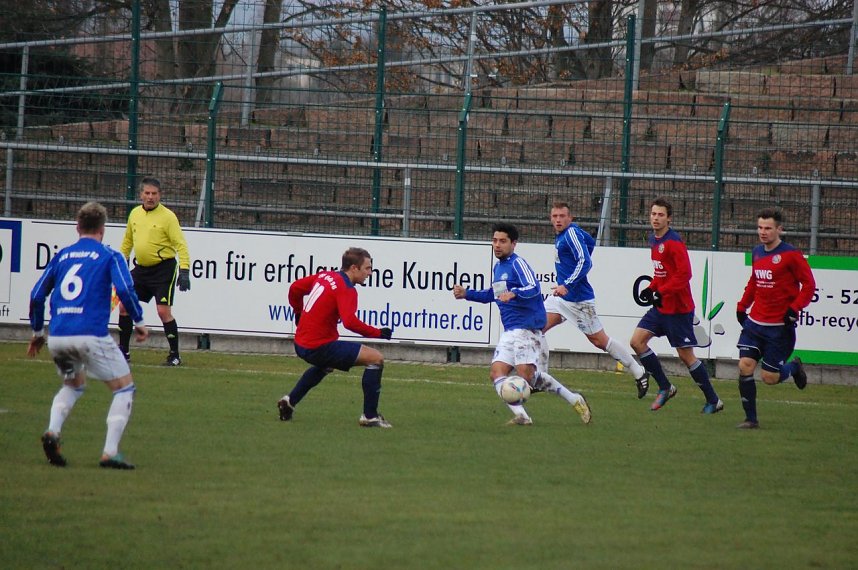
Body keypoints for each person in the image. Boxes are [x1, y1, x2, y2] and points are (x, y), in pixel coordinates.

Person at [28, 201, 149, 469]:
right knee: (124, 388)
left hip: (58, 336)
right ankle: (109, 452)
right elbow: (126, 290)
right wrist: (139, 321)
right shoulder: (109, 256)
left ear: (77, 227)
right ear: (102, 230)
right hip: (91, 335)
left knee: (73, 385)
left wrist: (38, 332)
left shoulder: (62, 256)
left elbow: (36, 295)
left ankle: (53, 431)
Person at [453, 222, 591, 426]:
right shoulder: (499, 267)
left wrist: (514, 293)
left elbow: (533, 288)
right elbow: (494, 294)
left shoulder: (518, 264)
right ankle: (523, 416)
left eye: (502, 241)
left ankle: (574, 398)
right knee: (496, 373)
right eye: (494, 241)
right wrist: (467, 294)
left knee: (527, 377)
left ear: (513, 244)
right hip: (510, 330)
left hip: (527, 329)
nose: (497, 245)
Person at [277, 247, 395, 428]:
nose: (370, 273)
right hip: (318, 345)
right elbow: (349, 322)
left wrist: (298, 312)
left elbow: (295, 289)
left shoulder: (325, 276)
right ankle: (370, 416)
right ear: (354, 268)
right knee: (376, 359)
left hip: (301, 342)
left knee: (326, 365)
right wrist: (377, 332)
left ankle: (289, 401)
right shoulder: (346, 289)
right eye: (367, 268)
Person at [543, 201, 650, 398]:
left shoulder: (571, 234)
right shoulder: (568, 234)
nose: (558, 220)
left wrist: (567, 284)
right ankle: (538, 377)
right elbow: (590, 244)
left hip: (579, 300)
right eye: (554, 216)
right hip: (561, 300)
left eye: (562, 216)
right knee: (536, 326)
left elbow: (586, 260)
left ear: (570, 218)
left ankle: (639, 371)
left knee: (600, 341)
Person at [630, 197, 723, 413]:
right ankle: (665, 387)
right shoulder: (654, 240)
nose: (656, 218)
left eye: (660, 214)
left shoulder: (674, 242)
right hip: (661, 307)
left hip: (678, 309)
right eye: (653, 214)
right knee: (637, 341)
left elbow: (684, 274)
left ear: (669, 219)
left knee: (686, 355)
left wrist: (660, 291)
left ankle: (713, 400)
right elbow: (662, 272)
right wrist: (651, 288)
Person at [735, 208, 815, 429]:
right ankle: (751, 419)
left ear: (779, 229)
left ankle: (794, 367)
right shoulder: (757, 252)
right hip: (755, 323)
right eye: (760, 227)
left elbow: (809, 285)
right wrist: (743, 306)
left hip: (779, 328)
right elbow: (754, 281)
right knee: (745, 365)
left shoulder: (791, 255)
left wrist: (795, 308)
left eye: (768, 228)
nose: (763, 232)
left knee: (769, 378)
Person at [117, 176, 190, 366]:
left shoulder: (168, 217)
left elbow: (180, 245)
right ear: (141, 194)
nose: (150, 197)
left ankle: (174, 355)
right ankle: (123, 352)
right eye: (147, 193)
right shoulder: (134, 214)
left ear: (160, 195)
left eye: (154, 194)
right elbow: (127, 242)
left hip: (163, 269)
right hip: (141, 269)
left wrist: (184, 271)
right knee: (124, 305)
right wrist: (120, 263)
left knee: (162, 311)